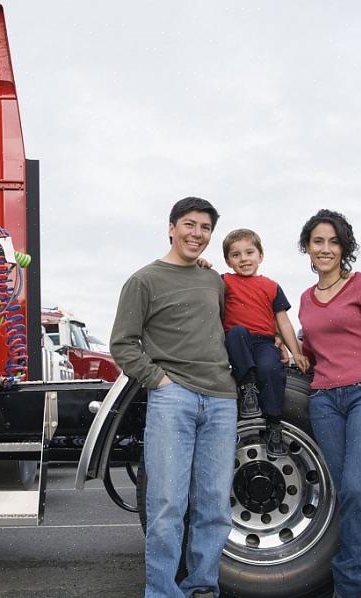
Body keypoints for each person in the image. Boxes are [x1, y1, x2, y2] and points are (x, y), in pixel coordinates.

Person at [110, 197, 237, 598]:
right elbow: (123, 344)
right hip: (173, 398)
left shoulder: (213, 280)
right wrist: (159, 380)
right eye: (189, 224)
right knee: (167, 505)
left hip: (221, 399)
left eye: (204, 228)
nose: (196, 234)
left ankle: (202, 587)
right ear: (171, 228)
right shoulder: (143, 281)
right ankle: (162, 591)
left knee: (215, 506)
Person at [297, 209, 361, 598]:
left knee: (358, 490)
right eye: (318, 241)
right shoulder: (306, 299)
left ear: (345, 247)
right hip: (324, 400)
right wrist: (289, 347)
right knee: (352, 497)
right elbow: (313, 349)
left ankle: (348, 585)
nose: (325, 249)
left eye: (333, 241)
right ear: (307, 248)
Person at [220, 228, 309, 456]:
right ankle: (248, 388)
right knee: (236, 332)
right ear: (228, 261)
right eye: (236, 255)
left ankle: (274, 423)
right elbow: (202, 283)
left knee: (270, 368)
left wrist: (296, 352)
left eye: (249, 252)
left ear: (260, 256)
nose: (244, 259)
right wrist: (200, 264)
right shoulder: (224, 281)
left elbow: (284, 322)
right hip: (237, 342)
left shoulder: (271, 286)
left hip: (263, 341)